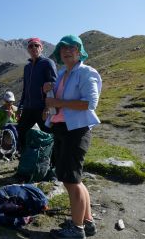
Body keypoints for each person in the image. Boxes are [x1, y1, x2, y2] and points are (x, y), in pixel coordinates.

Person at [45, 35, 101, 239]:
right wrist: (49, 97)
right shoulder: (62, 74)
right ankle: (87, 223)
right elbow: (56, 103)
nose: (67, 51)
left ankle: (77, 230)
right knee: (74, 179)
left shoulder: (86, 72)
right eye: (63, 48)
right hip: (62, 129)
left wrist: (59, 101)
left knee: (71, 180)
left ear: (80, 52)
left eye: (72, 48)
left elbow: (89, 103)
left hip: (76, 131)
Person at [17, 38, 57, 153]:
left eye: (36, 45)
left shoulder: (47, 63)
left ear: (41, 48)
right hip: (28, 107)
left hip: (42, 108)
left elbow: (53, 85)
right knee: (22, 132)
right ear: (28, 49)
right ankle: (25, 162)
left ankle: (50, 165)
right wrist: (20, 106)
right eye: (31, 46)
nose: (34, 48)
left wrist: (48, 107)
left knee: (48, 135)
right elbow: (25, 89)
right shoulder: (27, 67)